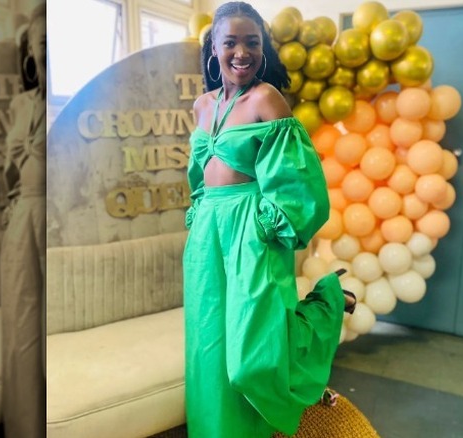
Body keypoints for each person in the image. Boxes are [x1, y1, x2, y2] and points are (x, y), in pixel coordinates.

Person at [183, 2, 355, 437]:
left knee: (251, 358)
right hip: (205, 236)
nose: (242, 52)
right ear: (214, 48)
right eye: (230, 43)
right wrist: (199, 212)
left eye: (252, 43)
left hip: (251, 230)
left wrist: (267, 225)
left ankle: (329, 304)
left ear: (263, 49)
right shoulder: (201, 106)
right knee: (208, 348)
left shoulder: (266, 99)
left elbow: (301, 180)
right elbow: (199, 175)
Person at [0, 3, 46, 437]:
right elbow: (11, 175)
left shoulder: (67, 105)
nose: (47, 51)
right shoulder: (18, 106)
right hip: (20, 228)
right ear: (29, 51)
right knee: (22, 336)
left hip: (55, 224)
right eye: (41, 43)